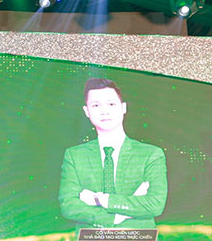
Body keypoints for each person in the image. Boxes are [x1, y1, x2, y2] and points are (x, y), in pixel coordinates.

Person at [58, 78, 167, 230]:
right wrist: (116, 217)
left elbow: (155, 205)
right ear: (86, 111)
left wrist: (102, 200)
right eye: (96, 105)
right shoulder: (74, 155)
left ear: (123, 108)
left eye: (111, 104)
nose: (104, 111)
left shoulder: (151, 154)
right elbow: (68, 206)